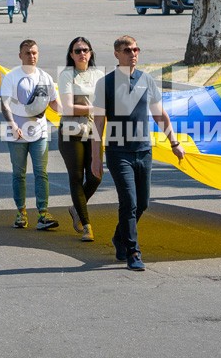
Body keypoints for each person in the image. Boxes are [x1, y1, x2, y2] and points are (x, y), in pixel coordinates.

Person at [91, 35, 185, 272]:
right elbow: (98, 123)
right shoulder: (105, 83)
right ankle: (133, 250)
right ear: (116, 54)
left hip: (143, 151)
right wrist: (96, 158)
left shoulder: (146, 80)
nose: (133, 53)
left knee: (142, 203)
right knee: (129, 202)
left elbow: (159, 114)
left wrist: (174, 143)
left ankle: (119, 237)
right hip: (118, 152)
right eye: (127, 50)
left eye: (136, 49)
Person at [1, 39, 62, 231]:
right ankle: (21, 212)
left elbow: (54, 103)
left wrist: (71, 111)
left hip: (39, 132)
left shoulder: (45, 77)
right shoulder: (12, 76)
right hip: (17, 133)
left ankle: (43, 214)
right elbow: (5, 104)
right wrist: (12, 124)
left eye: (34, 52)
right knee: (19, 174)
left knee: (41, 173)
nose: (31, 56)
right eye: (27, 53)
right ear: (20, 55)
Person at [58, 36, 104, 241]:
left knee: (96, 176)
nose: (82, 53)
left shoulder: (98, 75)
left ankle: (76, 208)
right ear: (71, 55)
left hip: (94, 131)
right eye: (77, 51)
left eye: (85, 50)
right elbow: (67, 107)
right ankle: (86, 225)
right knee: (76, 177)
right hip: (72, 132)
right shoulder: (67, 74)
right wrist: (94, 108)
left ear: (91, 52)